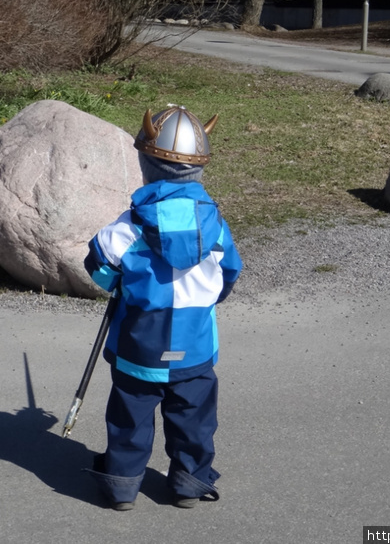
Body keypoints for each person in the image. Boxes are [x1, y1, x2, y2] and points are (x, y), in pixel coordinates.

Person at [83, 105, 243, 511]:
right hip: (195, 345)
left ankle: (121, 486)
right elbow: (229, 274)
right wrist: (207, 298)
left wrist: (121, 283)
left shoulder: (130, 225)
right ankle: (190, 482)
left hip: (139, 346)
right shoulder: (216, 226)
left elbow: (99, 267)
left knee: (129, 419)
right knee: (194, 419)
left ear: (146, 164)